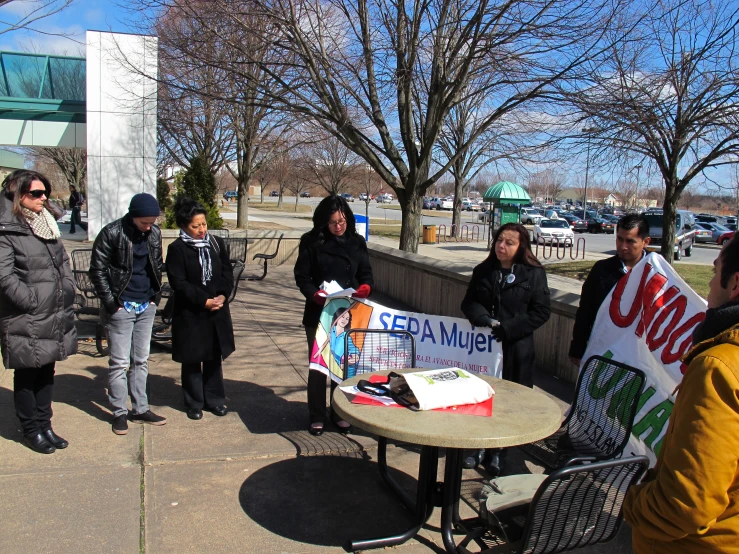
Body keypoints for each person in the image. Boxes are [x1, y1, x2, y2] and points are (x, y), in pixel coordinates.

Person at [624, 235, 739, 553]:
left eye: (715, 272)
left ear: (735, 283)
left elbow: (685, 503)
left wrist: (631, 502)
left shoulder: (718, 368)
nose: (710, 285)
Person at [461, 222, 551, 475]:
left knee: (508, 402)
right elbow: (469, 302)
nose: (502, 246)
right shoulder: (483, 270)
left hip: (517, 349)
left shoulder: (533, 274)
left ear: (521, 246)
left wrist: (509, 328)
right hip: (484, 349)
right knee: (481, 397)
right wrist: (481, 318)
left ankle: (500, 451)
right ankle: (478, 447)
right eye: (499, 240)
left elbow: (541, 312)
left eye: (509, 243)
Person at [0, 170, 77, 454]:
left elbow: (63, 262)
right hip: (26, 315)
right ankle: (31, 429)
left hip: (53, 310)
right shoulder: (7, 228)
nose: (43, 197)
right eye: (36, 193)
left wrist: (68, 288)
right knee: (27, 374)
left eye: (44, 192)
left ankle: (45, 425)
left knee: (46, 371)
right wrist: (31, 301)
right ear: (17, 194)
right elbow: (4, 276)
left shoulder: (47, 223)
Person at [294, 195, 373, 436]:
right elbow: (302, 276)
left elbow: (366, 273)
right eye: (332, 223)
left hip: (349, 312)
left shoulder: (357, 242)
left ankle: (339, 412)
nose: (338, 227)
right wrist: (314, 294)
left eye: (342, 221)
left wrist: (366, 287)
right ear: (323, 223)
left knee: (342, 364)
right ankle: (317, 414)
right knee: (319, 365)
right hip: (319, 312)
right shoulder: (310, 242)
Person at [90, 192, 167, 435]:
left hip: (146, 305)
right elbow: (97, 270)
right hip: (121, 307)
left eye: (152, 222)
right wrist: (112, 303)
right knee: (119, 363)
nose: (148, 226)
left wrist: (156, 296)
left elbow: (156, 264)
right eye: (144, 222)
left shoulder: (154, 233)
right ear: (132, 216)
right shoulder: (111, 233)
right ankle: (119, 413)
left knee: (141, 360)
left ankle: (140, 408)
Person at [166, 198, 235, 420]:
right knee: (192, 359)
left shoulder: (215, 243)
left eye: (203, 224)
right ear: (185, 226)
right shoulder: (177, 249)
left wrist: (223, 295)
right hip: (191, 313)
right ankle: (194, 402)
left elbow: (226, 272)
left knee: (214, 358)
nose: (201, 230)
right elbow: (179, 282)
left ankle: (215, 399)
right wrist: (203, 301)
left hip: (217, 310)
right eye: (195, 226)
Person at [569, 213, 650, 366]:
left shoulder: (656, 273)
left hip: (639, 357)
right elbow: (586, 311)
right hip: (604, 350)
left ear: (645, 242)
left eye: (630, 241)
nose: (623, 246)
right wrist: (577, 347)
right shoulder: (602, 270)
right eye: (619, 239)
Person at [327, 307, 360, 377]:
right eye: (342, 316)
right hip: (326, 364)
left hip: (339, 368)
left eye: (347, 319)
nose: (344, 320)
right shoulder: (329, 331)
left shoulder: (347, 336)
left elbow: (353, 349)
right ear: (337, 316)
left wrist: (355, 355)